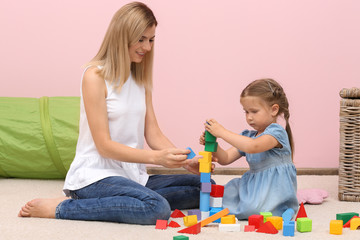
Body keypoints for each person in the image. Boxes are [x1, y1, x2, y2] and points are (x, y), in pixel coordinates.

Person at [18, 2, 213, 225]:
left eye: (151, 39)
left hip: (131, 175)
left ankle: (126, 199)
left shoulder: (140, 78)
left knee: (203, 187)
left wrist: (185, 160)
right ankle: (63, 207)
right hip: (96, 175)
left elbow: (153, 133)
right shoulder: (95, 76)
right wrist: (155, 158)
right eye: (141, 39)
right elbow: (104, 146)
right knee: (157, 208)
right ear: (122, 36)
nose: (147, 47)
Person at [200, 78, 298, 219]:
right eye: (246, 112)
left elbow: (253, 146)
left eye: (254, 111)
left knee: (254, 210)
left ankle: (283, 208)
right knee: (223, 194)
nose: (249, 117)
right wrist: (213, 143)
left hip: (273, 189)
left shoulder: (276, 133)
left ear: (274, 110)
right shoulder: (248, 136)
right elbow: (225, 158)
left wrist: (222, 132)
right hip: (253, 187)